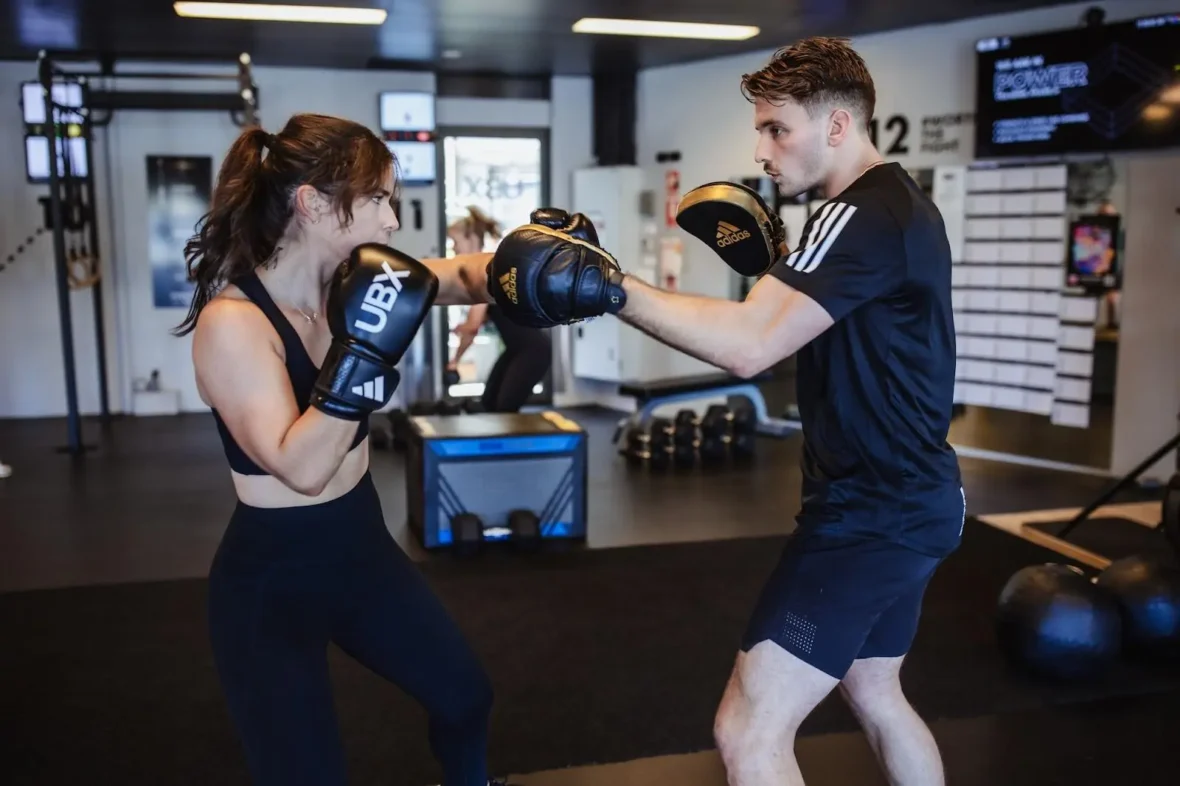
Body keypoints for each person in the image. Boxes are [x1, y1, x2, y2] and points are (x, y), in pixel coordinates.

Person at [481, 37, 964, 786]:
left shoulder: (858, 214)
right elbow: (824, 334)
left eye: (778, 129)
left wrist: (610, 285)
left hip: (871, 514)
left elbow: (748, 349)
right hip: (918, 497)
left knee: (747, 730)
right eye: (761, 130)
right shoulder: (901, 209)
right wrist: (777, 272)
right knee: (875, 688)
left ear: (838, 126)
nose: (763, 150)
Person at [178, 112, 513, 786]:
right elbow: (301, 466)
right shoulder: (233, 324)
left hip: (361, 550)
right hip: (273, 578)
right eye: (380, 200)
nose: (392, 222)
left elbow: (462, 276)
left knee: (465, 696)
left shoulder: (351, 288)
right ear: (313, 204)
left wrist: (531, 260)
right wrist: (362, 356)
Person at [445, 207, 552, 413]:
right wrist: (468, 325)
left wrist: (454, 361)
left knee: (504, 410)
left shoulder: (484, 271)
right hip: (516, 350)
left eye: (455, 242)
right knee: (489, 404)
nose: (455, 249)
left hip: (532, 352)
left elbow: (473, 326)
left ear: (470, 239)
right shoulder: (483, 266)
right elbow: (487, 315)